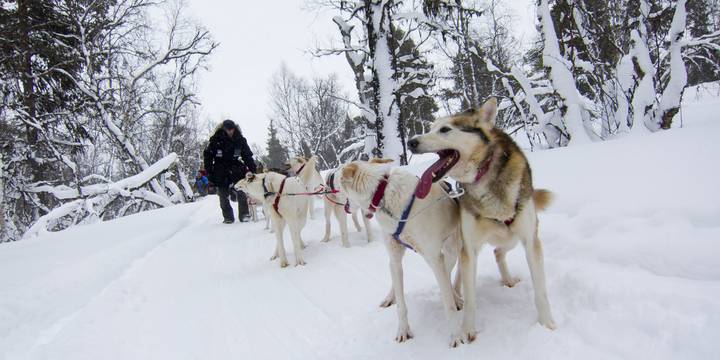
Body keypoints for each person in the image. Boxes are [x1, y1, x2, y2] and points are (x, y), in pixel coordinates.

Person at [203, 119, 257, 223]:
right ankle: (228, 217)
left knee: (242, 192)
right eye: (228, 130)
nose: (230, 131)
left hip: (236, 168)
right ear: (223, 128)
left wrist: (252, 170)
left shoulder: (240, 140)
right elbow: (208, 156)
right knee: (223, 195)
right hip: (220, 169)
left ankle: (244, 215)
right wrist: (209, 172)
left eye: (232, 129)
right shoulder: (215, 139)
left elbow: (247, 156)